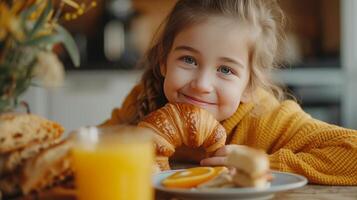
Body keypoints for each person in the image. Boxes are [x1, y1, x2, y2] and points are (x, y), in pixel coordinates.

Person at [101, 0, 357, 185]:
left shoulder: (267, 120)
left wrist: (262, 164)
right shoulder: (144, 100)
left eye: (225, 69)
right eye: (189, 60)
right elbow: (93, 147)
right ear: (163, 61)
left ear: (249, 86)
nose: (202, 84)